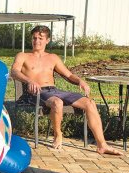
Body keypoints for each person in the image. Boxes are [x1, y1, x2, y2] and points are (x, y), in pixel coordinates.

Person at [11, 25, 123, 155]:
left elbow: (68, 75)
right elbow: (14, 71)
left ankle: (102, 145)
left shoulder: (53, 57)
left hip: (53, 91)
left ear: (47, 40)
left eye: (40, 38)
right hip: (34, 92)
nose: (37, 41)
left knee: (89, 103)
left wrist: (80, 81)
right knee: (57, 102)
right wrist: (29, 81)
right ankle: (58, 134)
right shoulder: (23, 56)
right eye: (34, 38)